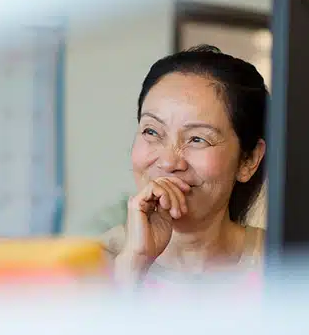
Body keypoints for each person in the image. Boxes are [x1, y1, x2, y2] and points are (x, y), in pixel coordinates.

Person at [101, 45, 268, 288]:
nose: (169, 162)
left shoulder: (291, 266)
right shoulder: (90, 265)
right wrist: (133, 266)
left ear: (248, 160)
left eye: (197, 139)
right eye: (152, 131)